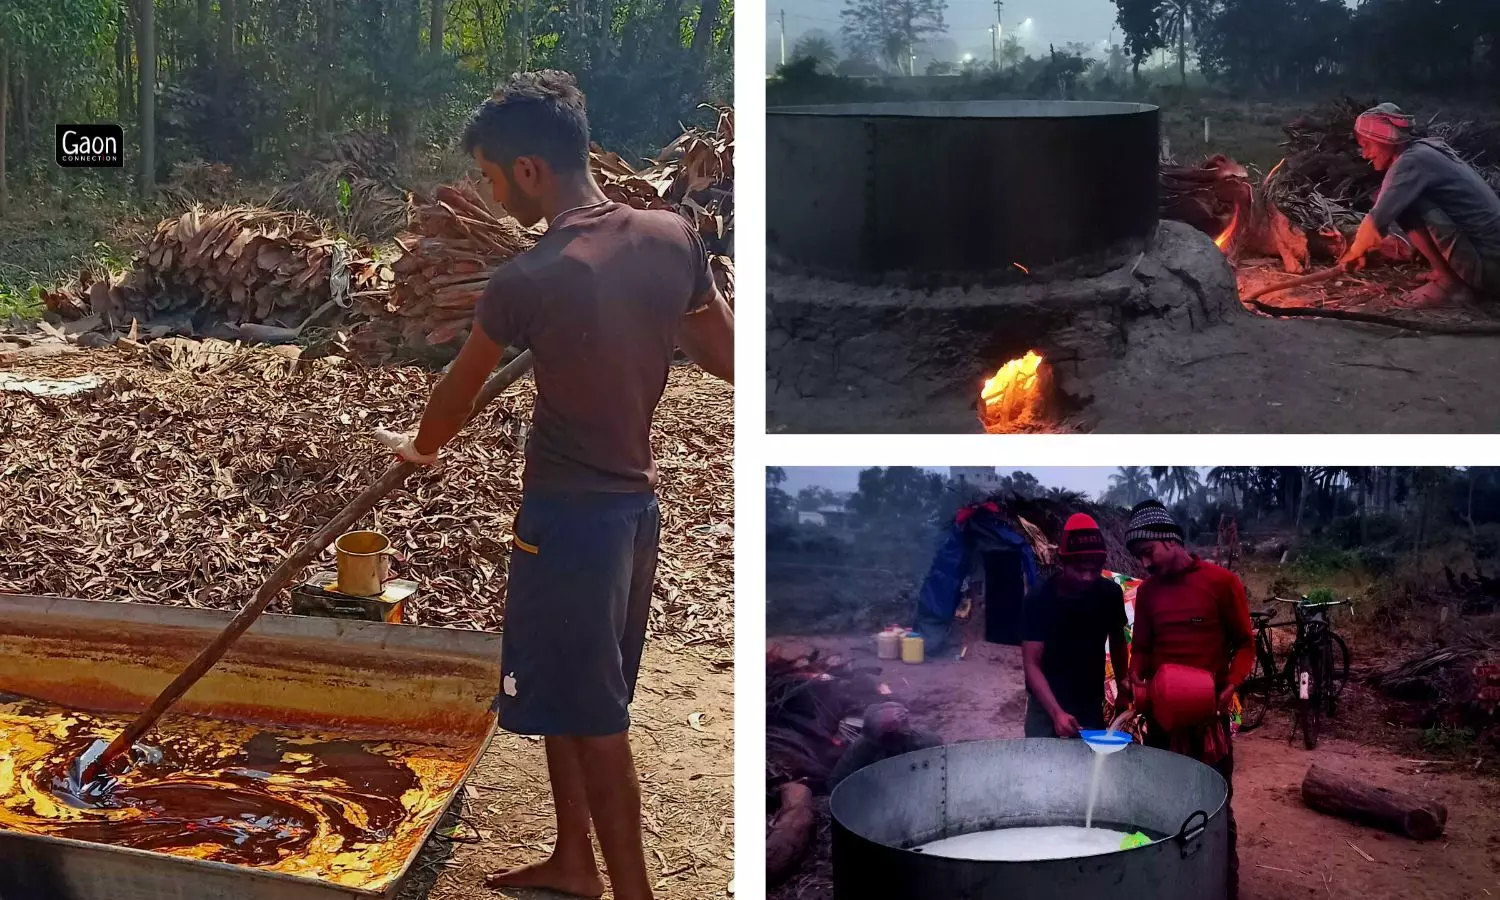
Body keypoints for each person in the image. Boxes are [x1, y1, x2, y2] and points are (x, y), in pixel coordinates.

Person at [375, 71, 734, 900]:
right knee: (579, 694)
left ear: (530, 169)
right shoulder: (670, 237)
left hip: (568, 524)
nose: (494, 198)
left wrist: (421, 451)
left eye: (494, 181)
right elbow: (723, 357)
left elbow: (456, 393)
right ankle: (575, 862)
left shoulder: (528, 279)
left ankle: (633, 891)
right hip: (635, 518)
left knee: (598, 719)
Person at [1124, 500, 1253, 900]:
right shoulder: (1147, 594)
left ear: (1169, 540)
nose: (1145, 564)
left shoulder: (1221, 583)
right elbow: (1142, 648)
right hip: (1164, 722)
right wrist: (1135, 676)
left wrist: (1231, 683)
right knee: (1166, 805)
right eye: (1140, 557)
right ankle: (1177, 886)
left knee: (1216, 807)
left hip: (1206, 721)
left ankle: (1224, 888)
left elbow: (1245, 644)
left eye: (1148, 553)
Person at [1337, 102, 1500, 306]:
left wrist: (1353, 253)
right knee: (1401, 197)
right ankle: (1448, 275)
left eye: (1367, 145)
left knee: (1407, 204)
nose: (1365, 154)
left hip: (1490, 269)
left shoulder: (1411, 162)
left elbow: (1377, 219)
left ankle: (1451, 285)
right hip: (1491, 260)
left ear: (1385, 140)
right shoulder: (1425, 150)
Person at [1021, 513, 1131, 739]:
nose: (1087, 577)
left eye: (1094, 569)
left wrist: (1122, 686)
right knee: (1040, 766)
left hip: (1089, 703)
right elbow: (1031, 665)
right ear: (1063, 563)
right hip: (1045, 704)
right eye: (1080, 569)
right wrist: (1056, 713)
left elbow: (1118, 641)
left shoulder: (1110, 594)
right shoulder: (1039, 598)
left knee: (1088, 768)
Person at [826, 702, 942, 789]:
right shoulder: (863, 748)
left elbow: (941, 774)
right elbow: (837, 781)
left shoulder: (927, 743)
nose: (887, 741)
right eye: (882, 737)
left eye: (891, 736)